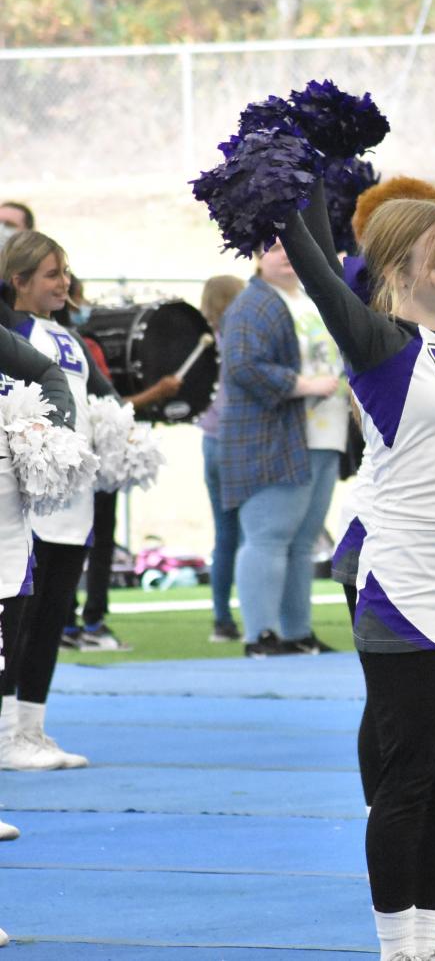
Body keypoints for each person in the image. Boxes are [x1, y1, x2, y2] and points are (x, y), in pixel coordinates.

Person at [278, 185, 435, 958]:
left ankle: (433, 939)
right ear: (397, 267)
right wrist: (295, 188)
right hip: (404, 582)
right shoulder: (378, 343)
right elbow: (317, 271)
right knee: (407, 773)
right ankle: (394, 946)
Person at [0, 230, 112, 770]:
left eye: (64, 271)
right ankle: (8, 735)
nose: (63, 282)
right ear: (16, 281)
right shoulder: (9, 331)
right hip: (26, 495)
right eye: (50, 274)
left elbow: (97, 399)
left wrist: (119, 433)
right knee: (21, 617)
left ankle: (33, 727)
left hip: (72, 492)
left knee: (52, 617)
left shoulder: (67, 337)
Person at [220, 237, 347, 656]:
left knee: (302, 540)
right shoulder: (252, 303)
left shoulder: (310, 300)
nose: (287, 254)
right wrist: (303, 385)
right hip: (273, 437)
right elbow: (242, 365)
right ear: (256, 257)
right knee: (268, 536)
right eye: (275, 248)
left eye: (291, 245)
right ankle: (261, 635)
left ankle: (297, 632)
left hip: (322, 436)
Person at [61, 275, 182, 651]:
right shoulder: (79, 344)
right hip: (88, 457)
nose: (84, 304)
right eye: (78, 296)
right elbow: (109, 403)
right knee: (88, 540)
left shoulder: (72, 340)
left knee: (84, 540)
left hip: (83, 456)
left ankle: (74, 622)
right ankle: (84, 621)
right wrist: (157, 393)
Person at [0, 320, 77, 792]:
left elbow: (49, 372)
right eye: (50, 274)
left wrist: (50, 433)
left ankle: (19, 732)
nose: (63, 284)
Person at [197, 275, 248, 642]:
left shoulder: (202, 345)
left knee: (225, 533)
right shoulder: (238, 342)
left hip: (210, 440)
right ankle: (257, 613)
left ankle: (222, 616)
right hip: (240, 440)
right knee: (251, 534)